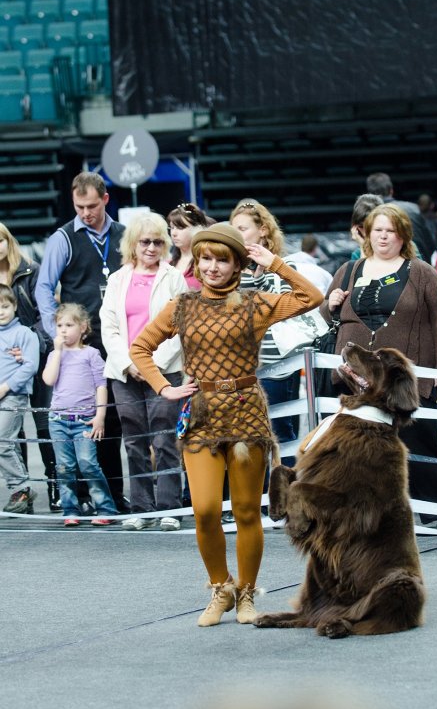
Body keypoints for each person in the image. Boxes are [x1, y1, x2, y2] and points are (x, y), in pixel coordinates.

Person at [130, 222, 323, 626]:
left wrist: (276, 264)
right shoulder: (182, 306)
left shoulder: (255, 303)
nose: (213, 267)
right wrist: (164, 387)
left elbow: (313, 297)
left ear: (236, 265)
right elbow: (140, 346)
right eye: (206, 258)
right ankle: (221, 587)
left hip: (246, 412)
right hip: (201, 415)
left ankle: (248, 593)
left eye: (222, 259)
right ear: (197, 263)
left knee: (248, 511)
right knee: (203, 510)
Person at [320, 204, 437, 531]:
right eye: (378, 230)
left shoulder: (420, 271)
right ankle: (370, 514)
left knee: (421, 439)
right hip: (353, 379)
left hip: (404, 378)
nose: (384, 236)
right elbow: (326, 319)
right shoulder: (348, 270)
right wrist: (331, 305)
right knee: (362, 448)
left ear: (403, 236)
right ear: (367, 234)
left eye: (391, 230)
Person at [35, 171, 129, 514]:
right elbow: (44, 287)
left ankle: (114, 497)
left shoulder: (123, 235)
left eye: (91, 206)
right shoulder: (63, 237)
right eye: (79, 206)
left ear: (105, 199)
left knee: (112, 421)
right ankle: (80, 498)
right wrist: (56, 334)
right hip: (79, 345)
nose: (85, 213)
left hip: (116, 341)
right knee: (74, 419)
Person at [100, 212, 188, 531]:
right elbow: (108, 328)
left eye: (158, 242)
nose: (151, 248)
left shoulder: (173, 277)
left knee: (164, 439)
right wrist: (130, 363)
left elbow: (180, 327)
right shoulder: (117, 279)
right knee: (134, 440)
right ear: (133, 244)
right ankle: (140, 507)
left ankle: (168, 507)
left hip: (163, 370)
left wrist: (150, 366)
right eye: (145, 241)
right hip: (125, 373)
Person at [230, 200, 300, 446]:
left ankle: (286, 484)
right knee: (249, 435)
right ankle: (261, 485)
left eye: (243, 228)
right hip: (241, 366)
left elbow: (283, 304)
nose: (237, 235)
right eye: (233, 229)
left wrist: (265, 269)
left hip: (276, 365)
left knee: (280, 431)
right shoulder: (234, 270)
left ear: (263, 230)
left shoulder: (283, 265)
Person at [0, 223, 60, 512]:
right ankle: (21, 492)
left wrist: (29, 342)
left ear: (8, 241)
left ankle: (55, 485)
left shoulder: (30, 270)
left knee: (44, 424)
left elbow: (45, 313)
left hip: (36, 355)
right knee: (12, 433)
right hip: (5, 363)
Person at [42, 303, 118, 527]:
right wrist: (57, 352)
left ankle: (105, 507)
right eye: (59, 325)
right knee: (64, 466)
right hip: (58, 420)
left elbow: (101, 386)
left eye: (69, 325)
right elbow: (48, 380)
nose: (63, 330)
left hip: (84, 420)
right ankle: (70, 509)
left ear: (83, 327)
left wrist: (100, 416)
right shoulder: (55, 354)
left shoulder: (91, 354)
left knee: (88, 464)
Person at [0, 285, 40, 515]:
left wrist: (6, 387)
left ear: (14, 306)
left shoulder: (24, 334)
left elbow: (30, 366)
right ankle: (20, 490)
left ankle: (21, 487)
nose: (1, 311)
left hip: (13, 396)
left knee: (3, 442)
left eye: (5, 306)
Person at [365, 172, 436, 262]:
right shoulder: (413, 208)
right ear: (391, 190)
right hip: (419, 264)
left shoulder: (370, 215)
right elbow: (430, 244)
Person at [167, 202, 210, 290]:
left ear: (197, 229)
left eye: (180, 228)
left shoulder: (206, 262)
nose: (174, 233)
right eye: (172, 227)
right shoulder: (168, 263)